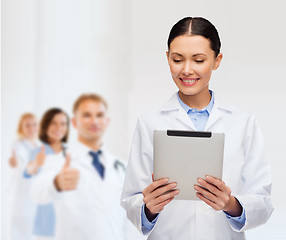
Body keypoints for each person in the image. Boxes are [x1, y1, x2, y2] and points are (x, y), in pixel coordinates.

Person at [121, 17, 274, 239]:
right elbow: (130, 199)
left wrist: (231, 204)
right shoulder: (149, 123)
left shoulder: (243, 123)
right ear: (167, 58)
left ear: (217, 60)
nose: (187, 70)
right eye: (177, 59)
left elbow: (264, 201)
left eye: (199, 60)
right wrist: (148, 208)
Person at [30, 94, 145, 240]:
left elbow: (130, 223)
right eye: (86, 115)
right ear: (75, 122)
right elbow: (37, 192)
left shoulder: (121, 167)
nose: (94, 121)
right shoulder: (59, 160)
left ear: (106, 121)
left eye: (99, 115)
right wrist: (57, 183)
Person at [24, 108, 69, 240]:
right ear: (45, 125)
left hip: (69, 223)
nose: (58, 128)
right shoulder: (39, 152)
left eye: (62, 124)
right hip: (45, 225)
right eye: (53, 123)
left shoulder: (71, 152)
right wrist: (36, 164)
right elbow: (28, 171)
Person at [8, 113, 41, 240]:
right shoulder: (17, 144)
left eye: (34, 125)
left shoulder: (39, 146)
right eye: (27, 125)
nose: (32, 128)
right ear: (21, 128)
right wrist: (15, 162)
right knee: (20, 233)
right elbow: (18, 161)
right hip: (21, 198)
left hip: (34, 197)